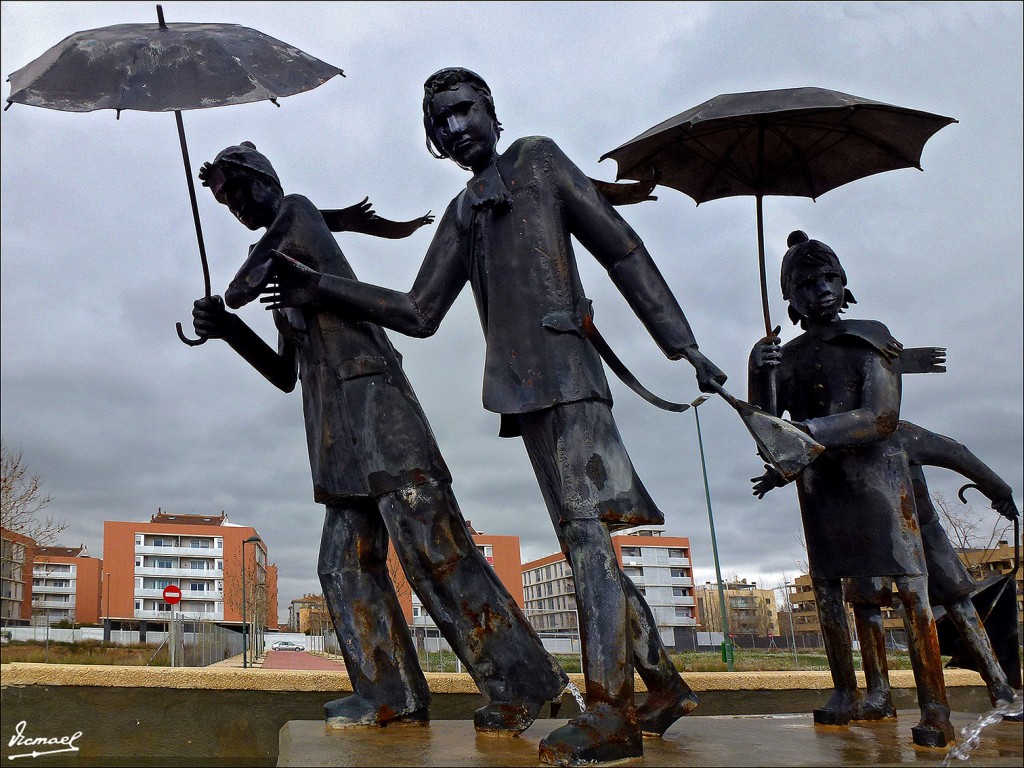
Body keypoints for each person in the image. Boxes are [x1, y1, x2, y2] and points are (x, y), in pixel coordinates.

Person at [264, 68, 726, 765]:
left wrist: (680, 342)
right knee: (585, 539)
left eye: (462, 112)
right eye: (438, 124)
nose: (454, 130)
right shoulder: (462, 210)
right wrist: (320, 284)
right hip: (521, 393)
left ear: (490, 108)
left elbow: (620, 245)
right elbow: (418, 312)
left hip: (570, 378)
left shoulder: (538, 160)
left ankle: (609, 715)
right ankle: (661, 686)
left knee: (587, 542)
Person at [190, 141, 568, 735]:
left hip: (375, 406)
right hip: (335, 429)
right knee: (341, 564)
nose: (236, 207)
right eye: (225, 201)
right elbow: (286, 373)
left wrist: (228, 301)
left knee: (432, 548)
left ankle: (524, 681)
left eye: (238, 191)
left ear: (264, 180)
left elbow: (240, 285)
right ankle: (388, 692)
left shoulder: (296, 213)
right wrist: (229, 332)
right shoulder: (278, 262)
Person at [748, 231, 954, 748]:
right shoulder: (785, 355)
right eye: (805, 283)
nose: (820, 290)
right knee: (829, 590)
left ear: (845, 285)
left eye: (830, 279)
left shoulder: (872, 337)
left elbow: (882, 417)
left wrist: (811, 432)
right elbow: (770, 434)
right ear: (789, 297)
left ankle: (934, 707)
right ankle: (849, 690)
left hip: (878, 482)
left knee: (910, 592)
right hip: (822, 487)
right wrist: (760, 376)